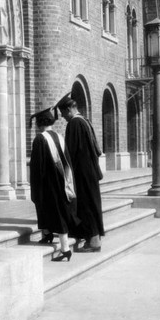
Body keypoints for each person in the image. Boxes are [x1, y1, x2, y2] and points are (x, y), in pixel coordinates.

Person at [29, 106, 80, 262]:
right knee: (58, 210)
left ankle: (64, 249)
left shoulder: (40, 138)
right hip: (63, 180)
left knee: (48, 207)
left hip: (49, 183)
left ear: (39, 122)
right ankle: (48, 235)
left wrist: (36, 186)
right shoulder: (59, 136)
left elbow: (38, 166)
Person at [56, 92, 104, 252]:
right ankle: (91, 237)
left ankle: (94, 241)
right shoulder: (85, 121)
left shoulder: (75, 124)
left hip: (82, 173)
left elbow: (71, 152)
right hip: (90, 170)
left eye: (63, 113)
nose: (63, 117)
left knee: (86, 205)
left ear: (70, 109)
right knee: (91, 203)